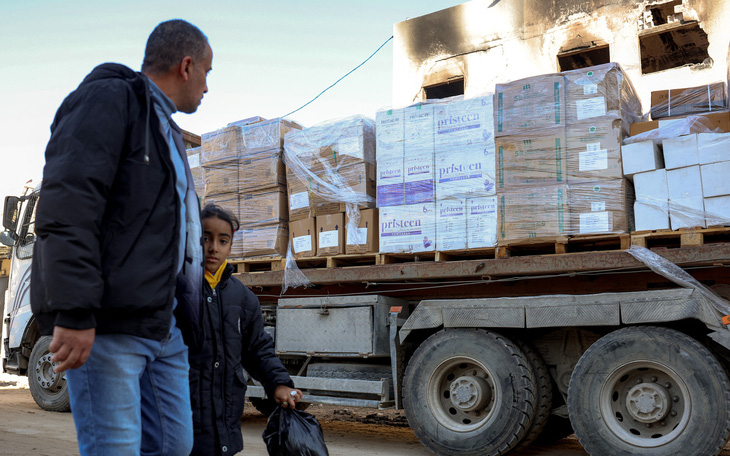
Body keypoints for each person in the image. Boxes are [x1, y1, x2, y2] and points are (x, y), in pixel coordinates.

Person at [30, 19, 211, 455]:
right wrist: (74, 312)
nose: (208, 87)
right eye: (208, 72)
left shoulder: (166, 130)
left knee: (173, 445)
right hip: (109, 323)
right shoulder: (109, 100)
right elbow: (68, 206)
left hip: (161, 324)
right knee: (116, 448)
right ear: (186, 66)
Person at [190, 203, 302, 456]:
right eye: (205, 238)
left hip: (226, 419)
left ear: (230, 246)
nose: (213, 247)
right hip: (185, 416)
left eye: (222, 240)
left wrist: (279, 383)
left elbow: (257, 349)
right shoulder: (179, 289)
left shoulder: (242, 298)